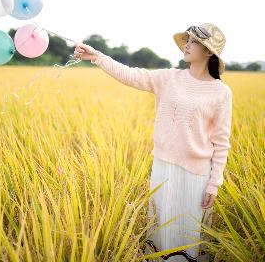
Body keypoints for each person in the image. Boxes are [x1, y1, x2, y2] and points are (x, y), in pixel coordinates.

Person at [73, 23, 233, 262]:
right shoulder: (168, 78)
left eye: (194, 41)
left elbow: (221, 142)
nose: (187, 45)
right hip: (163, 168)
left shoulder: (221, 92)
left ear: (209, 51)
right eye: (187, 40)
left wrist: (214, 183)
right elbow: (130, 74)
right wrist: (97, 56)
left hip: (196, 176)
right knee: (162, 231)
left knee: (186, 234)